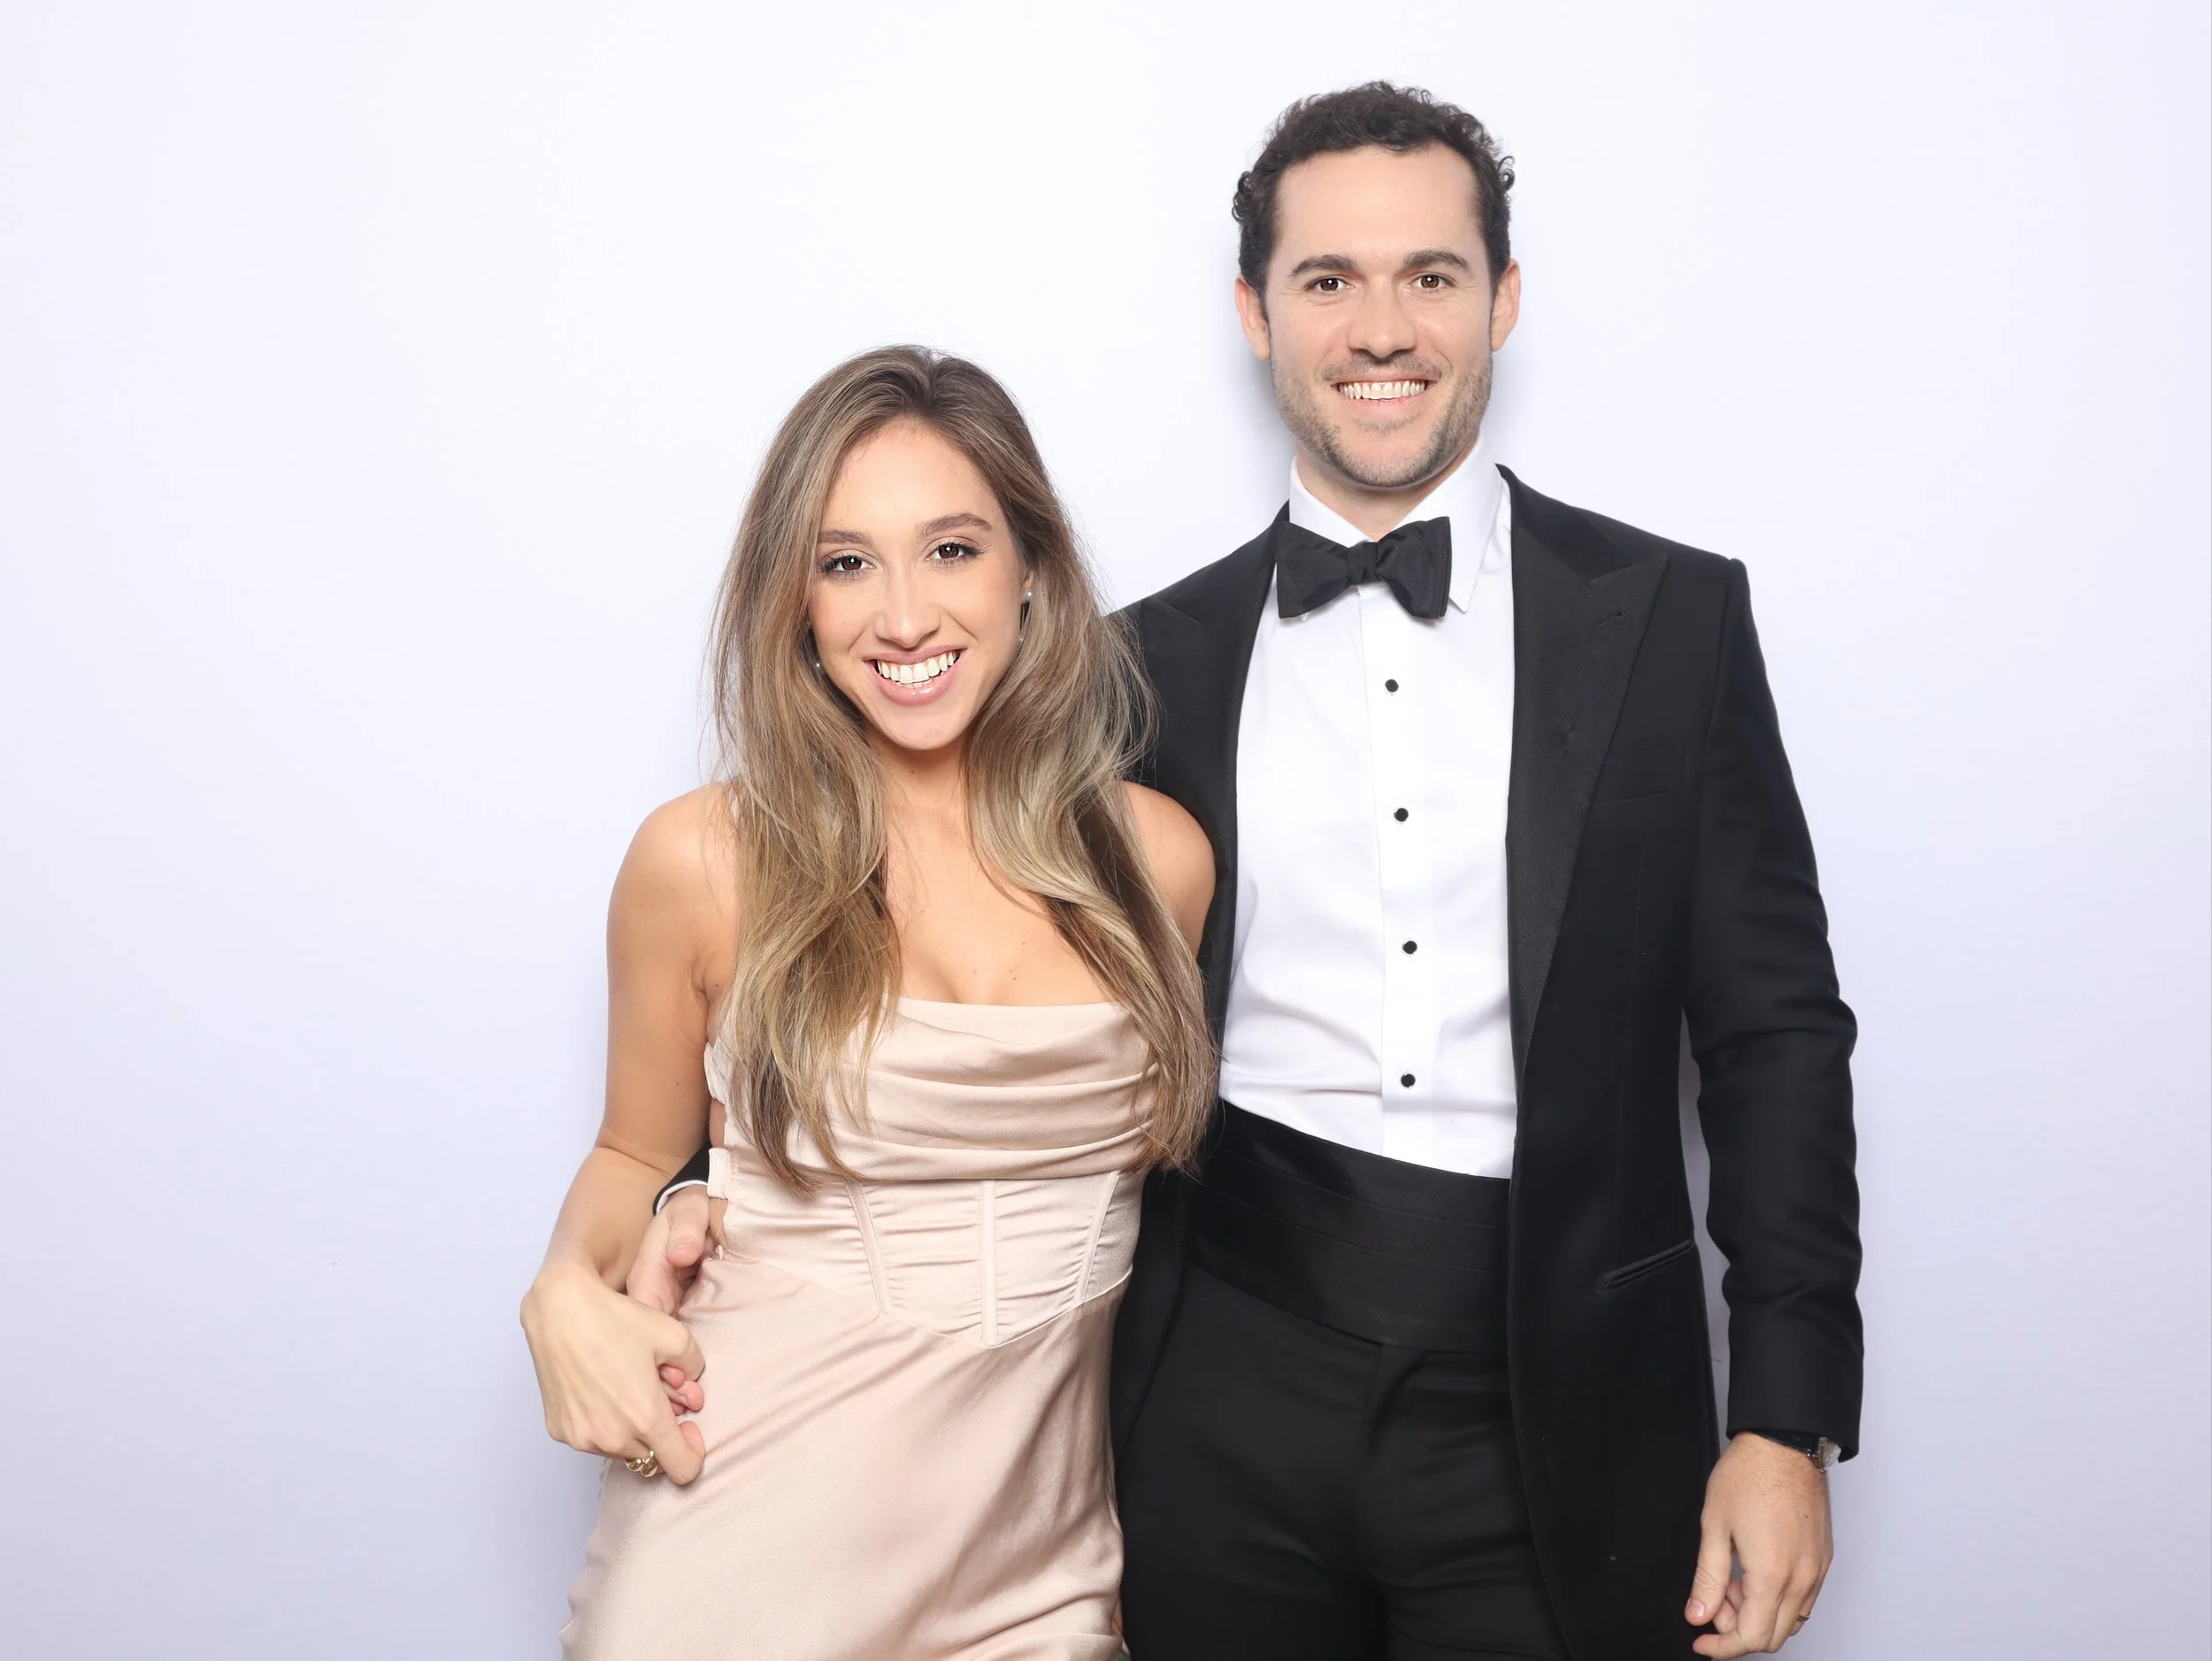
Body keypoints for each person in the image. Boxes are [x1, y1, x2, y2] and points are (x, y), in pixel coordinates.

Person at [648, 82, 1861, 1660]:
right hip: (1213, 1397)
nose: (1382, 327)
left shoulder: (1676, 622)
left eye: (1430, 276)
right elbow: (908, 972)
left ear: (1502, 300)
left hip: (1559, 1393)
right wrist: (668, 1216)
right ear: (1254, 313)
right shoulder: (1136, 668)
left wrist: (1787, 1418)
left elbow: (1776, 1039)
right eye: (1327, 281)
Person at [521, 345, 1215, 1659]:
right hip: (735, 1549)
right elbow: (632, 1152)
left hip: (1043, 1577)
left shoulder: (1158, 864)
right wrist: (562, 1284)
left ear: (1032, 570)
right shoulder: (703, 861)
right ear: (795, 599)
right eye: (846, 563)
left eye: (951, 549)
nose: (903, 617)